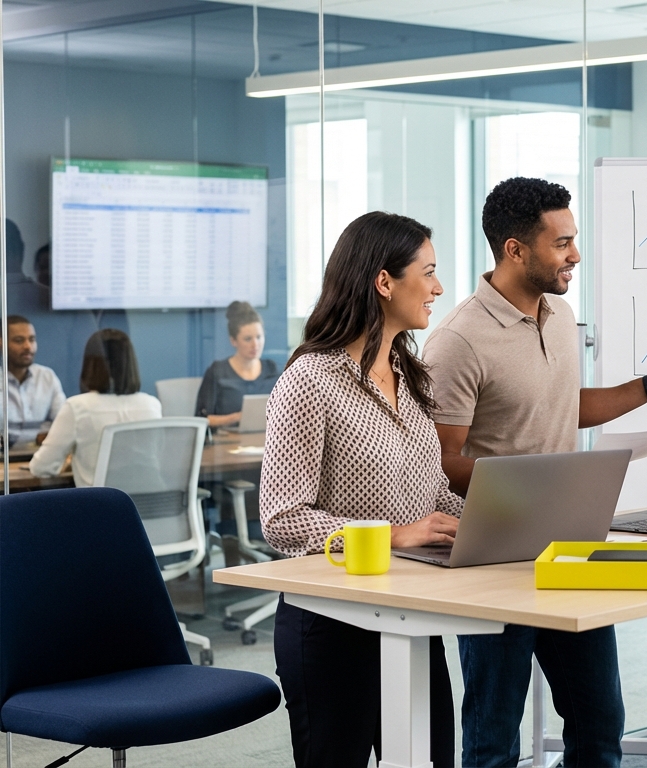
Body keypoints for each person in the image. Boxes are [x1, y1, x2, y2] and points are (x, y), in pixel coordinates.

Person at [422, 177, 647, 767]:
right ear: (515, 250)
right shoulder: (458, 339)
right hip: (496, 555)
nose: (575, 255)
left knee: (599, 723)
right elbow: (441, 459)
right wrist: (530, 492)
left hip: (570, 547)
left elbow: (562, 404)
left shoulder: (560, 313)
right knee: (493, 736)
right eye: (563, 243)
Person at [260, 211, 460, 768]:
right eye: (429, 271)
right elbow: (282, 518)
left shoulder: (408, 373)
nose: (439, 287)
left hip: (411, 615)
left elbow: (433, 492)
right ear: (384, 281)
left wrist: (495, 519)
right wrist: (394, 535)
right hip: (332, 624)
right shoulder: (309, 381)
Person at [30, 329, 161, 486]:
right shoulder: (151, 404)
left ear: (90, 364)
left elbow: (41, 468)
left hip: (101, 507)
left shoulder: (78, 407)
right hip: (152, 506)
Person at [195, 301, 279, 427]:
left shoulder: (271, 369)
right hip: (227, 442)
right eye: (248, 339)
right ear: (233, 341)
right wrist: (238, 417)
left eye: (259, 337)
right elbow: (202, 419)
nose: (255, 345)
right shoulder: (218, 372)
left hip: (266, 441)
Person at [6, 315, 66, 446]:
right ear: (2, 342)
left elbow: (63, 424)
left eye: (31, 340)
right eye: (19, 340)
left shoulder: (47, 377)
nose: (28, 346)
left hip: (40, 457)